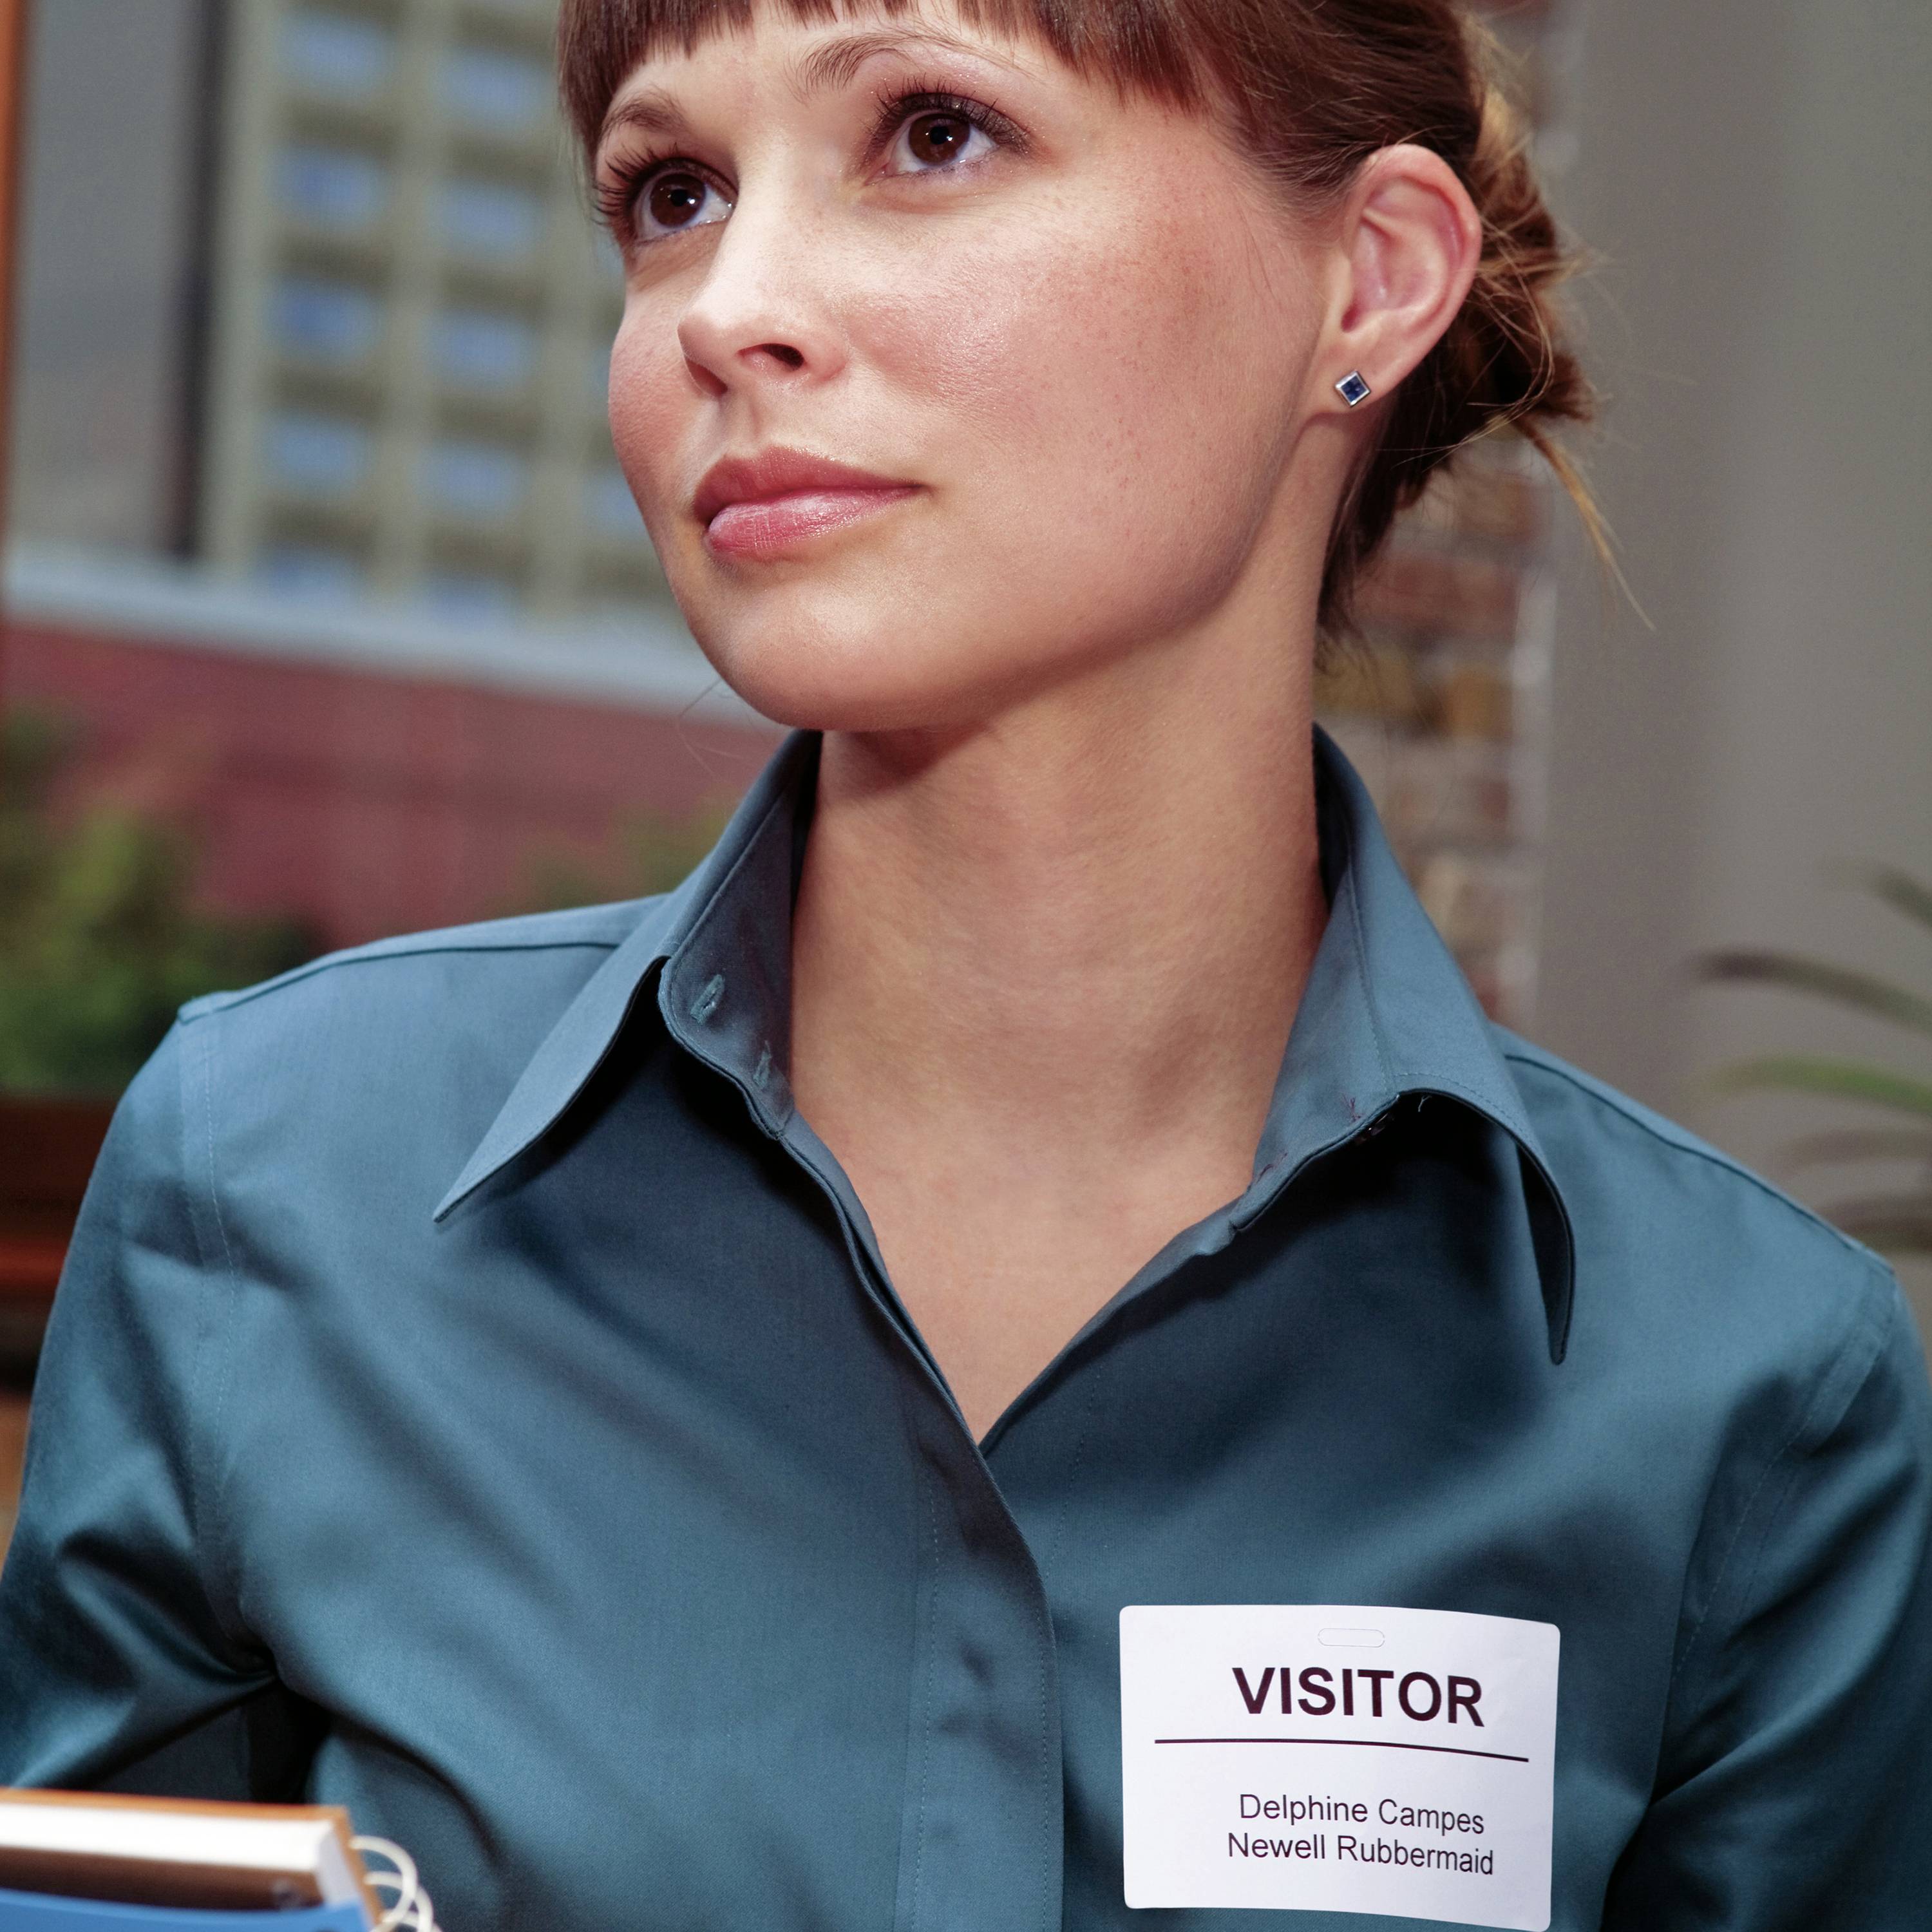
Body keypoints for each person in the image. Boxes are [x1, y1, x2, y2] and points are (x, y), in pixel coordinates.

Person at [3, 0, 1928, 1926]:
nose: (725, 307)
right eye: (672, 192)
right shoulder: (268, 1185)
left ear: (1368, 277)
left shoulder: (1752, 1402)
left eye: (933, 134)